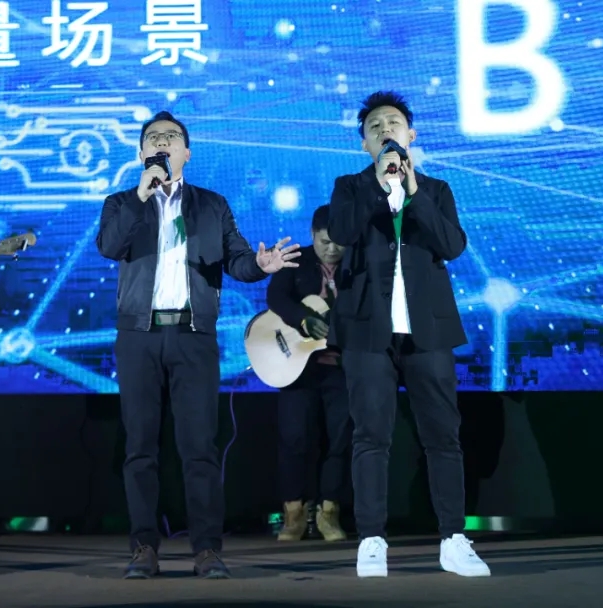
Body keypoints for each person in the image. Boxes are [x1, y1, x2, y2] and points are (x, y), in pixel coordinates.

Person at [96, 110, 301, 580]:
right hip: (138, 336)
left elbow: (238, 260)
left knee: (199, 448)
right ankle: (143, 548)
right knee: (140, 448)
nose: (161, 143)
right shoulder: (121, 202)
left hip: (193, 337)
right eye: (153, 138)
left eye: (171, 137)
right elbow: (109, 246)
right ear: (141, 152)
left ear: (186, 152)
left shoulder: (211, 205)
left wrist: (261, 265)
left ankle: (207, 549)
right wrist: (141, 196)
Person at [326, 91, 490, 577]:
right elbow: (343, 233)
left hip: (427, 330)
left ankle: (454, 538)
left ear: (411, 135)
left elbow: (452, 245)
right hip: (367, 329)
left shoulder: (435, 190)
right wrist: (380, 189)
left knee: (442, 435)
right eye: (374, 127)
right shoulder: (350, 186)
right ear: (364, 144)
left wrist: (413, 193)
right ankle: (371, 540)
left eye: (393, 123)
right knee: (371, 435)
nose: (385, 131)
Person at [266, 204, 352, 543]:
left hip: (342, 368)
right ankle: (294, 513)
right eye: (324, 242)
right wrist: (303, 319)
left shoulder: (359, 264)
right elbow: (276, 296)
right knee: (294, 439)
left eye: (338, 243)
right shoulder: (296, 260)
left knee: (340, 440)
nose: (331, 249)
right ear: (312, 235)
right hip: (297, 368)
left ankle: (329, 512)